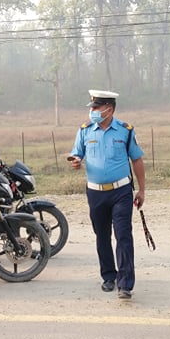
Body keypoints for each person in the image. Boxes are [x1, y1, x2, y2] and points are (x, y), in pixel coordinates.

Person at [68, 89, 146, 300]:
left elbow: (137, 160)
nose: (92, 111)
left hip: (121, 191)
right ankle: (109, 276)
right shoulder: (85, 130)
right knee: (102, 236)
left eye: (95, 107)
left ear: (108, 109)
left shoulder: (125, 131)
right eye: (91, 107)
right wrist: (76, 161)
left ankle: (125, 284)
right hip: (95, 193)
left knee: (123, 235)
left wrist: (141, 189)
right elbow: (77, 153)